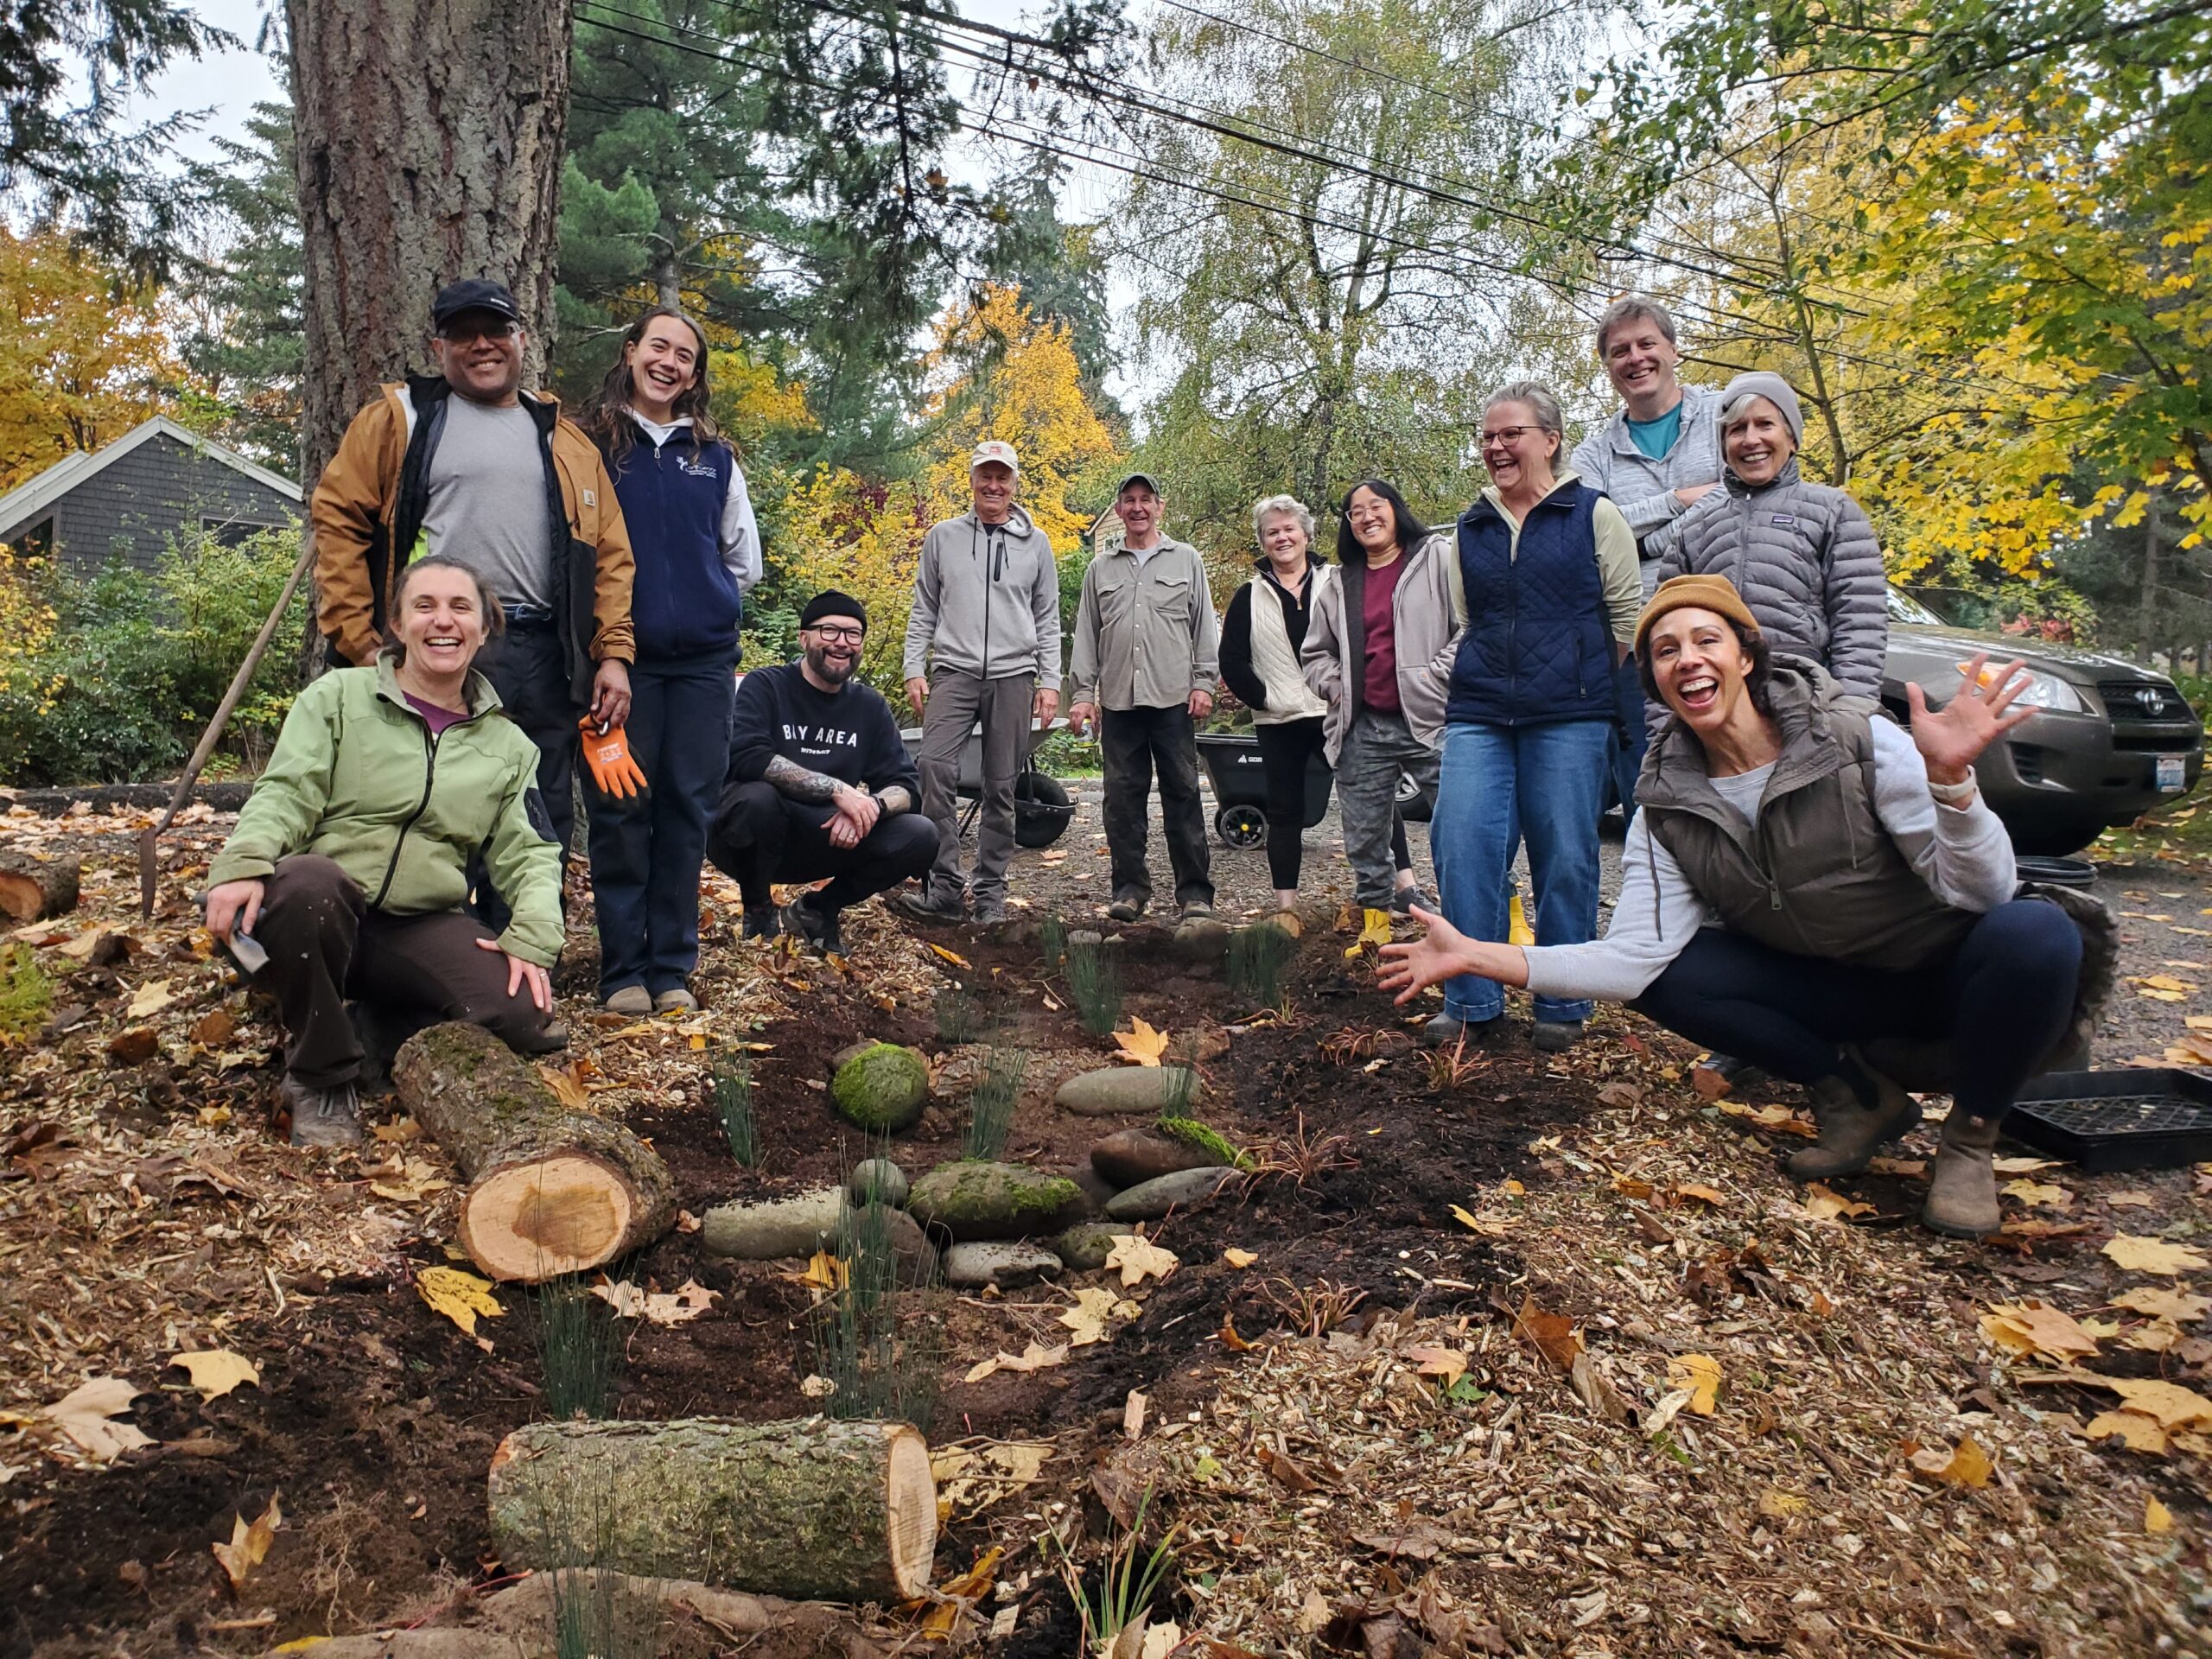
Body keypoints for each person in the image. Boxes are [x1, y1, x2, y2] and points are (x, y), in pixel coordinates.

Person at [1381, 575, 2084, 1239]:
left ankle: (1969, 1140)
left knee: (2038, 934)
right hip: (1832, 992)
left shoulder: (1858, 742)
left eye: (1706, 640)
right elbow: (1631, 961)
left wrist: (1953, 785)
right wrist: (1476, 955)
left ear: (1746, 656)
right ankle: (1855, 1098)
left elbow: (1984, 893)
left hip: (1940, 977)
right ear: (1654, 677)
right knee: (1669, 974)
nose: (1687, 660)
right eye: (1665, 650)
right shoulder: (1664, 806)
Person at [202, 557, 565, 1147]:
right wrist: (243, 862)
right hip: (320, 907)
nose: (442, 622)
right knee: (309, 888)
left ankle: (368, 1028)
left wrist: (532, 936)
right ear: (396, 624)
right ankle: (321, 1077)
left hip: (417, 924)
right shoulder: (336, 699)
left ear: (482, 627)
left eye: (460, 607)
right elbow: (286, 792)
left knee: (520, 1011)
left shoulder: (508, 746)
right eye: (424, 606)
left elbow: (531, 852)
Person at [309, 276, 637, 865]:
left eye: (495, 331)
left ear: (521, 338)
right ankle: (445, 953)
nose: (481, 345)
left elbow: (610, 557)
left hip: (546, 657)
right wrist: (360, 644)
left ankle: (529, 948)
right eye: (463, 335)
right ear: (439, 349)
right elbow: (338, 523)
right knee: (435, 810)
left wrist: (612, 654)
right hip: (440, 649)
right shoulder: (399, 421)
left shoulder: (566, 441)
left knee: (540, 815)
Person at [1429, 382, 1641, 1052]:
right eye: (1487, 437)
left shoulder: (1593, 515)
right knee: (1462, 843)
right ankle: (1472, 996)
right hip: (1481, 708)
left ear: (1550, 439)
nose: (1495, 447)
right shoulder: (1469, 527)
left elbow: (1628, 617)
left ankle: (1563, 997)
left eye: (1510, 433)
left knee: (1566, 856)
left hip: (1571, 713)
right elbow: (1469, 618)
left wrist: (1578, 678)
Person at [577, 308, 761, 1015]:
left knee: (688, 809)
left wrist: (700, 599)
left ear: (694, 374)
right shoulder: (591, 447)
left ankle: (671, 968)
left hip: (704, 669)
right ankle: (622, 970)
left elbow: (742, 559)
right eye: (660, 347)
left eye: (686, 356)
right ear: (630, 353)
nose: (670, 362)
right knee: (621, 807)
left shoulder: (713, 456)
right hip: (616, 667)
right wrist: (614, 642)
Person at [706, 592, 938, 955]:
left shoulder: (868, 706)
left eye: (853, 634)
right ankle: (758, 911)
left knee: (921, 834)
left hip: (829, 838)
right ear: (804, 638)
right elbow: (747, 756)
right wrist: (838, 791)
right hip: (750, 836)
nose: (842, 643)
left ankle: (819, 909)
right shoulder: (766, 686)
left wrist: (872, 808)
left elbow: (907, 786)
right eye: (829, 631)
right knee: (757, 799)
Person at [1567, 295, 1724, 817]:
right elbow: (1591, 532)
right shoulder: (1593, 455)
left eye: (1646, 344)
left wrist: (1645, 538)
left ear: (1674, 350)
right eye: (1619, 351)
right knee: (1652, 789)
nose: (1634, 358)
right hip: (1638, 644)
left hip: (1727, 631)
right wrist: (1681, 500)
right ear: (1608, 367)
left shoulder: (1724, 417)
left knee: (1737, 775)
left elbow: (1739, 499)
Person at [900, 440, 1063, 926]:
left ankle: (990, 892)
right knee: (933, 767)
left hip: (1014, 676)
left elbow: (1048, 616)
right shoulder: (943, 538)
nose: (993, 486)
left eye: (1002, 478)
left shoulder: (1037, 544)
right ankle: (945, 886)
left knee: (1000, 787)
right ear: (971, 481)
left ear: (1014, 484)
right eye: (985, 476)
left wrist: (1050, 680)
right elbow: (924, 606)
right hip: (953, 670)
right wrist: (914, 667)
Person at [1658, 371, 1886, 700]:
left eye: (1765, 424)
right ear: (1724, 445)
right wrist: (1666, 728)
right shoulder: (1696, 527)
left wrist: (1853, 708)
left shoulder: (1833, 512)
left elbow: (1860, 623)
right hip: (1716, 706)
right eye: (1737, 429)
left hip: (1806, 700)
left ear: (1792, 438)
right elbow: (1665, 630)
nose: (1751, 440)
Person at [1066, 474, 1220, 925]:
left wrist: (1203, 683)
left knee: (1184, 795)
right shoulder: (1101, 569)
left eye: (1145, 500)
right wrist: (1082, 695)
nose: (1137, 508)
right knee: (1122, 799)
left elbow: (1203, 628)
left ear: (1160, 506)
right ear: (1118, 510)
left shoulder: (1186, 560)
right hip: (1119, 704)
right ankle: (1130, 889)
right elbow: (1086, 638)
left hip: (1173, 700)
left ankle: (1194, 893)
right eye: (1129, 501)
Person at [1300, 480, 1453, 915]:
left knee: (1467, 828)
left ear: (1396, 509)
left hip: (1433, 719)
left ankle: (1489, 925)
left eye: (1376, 506)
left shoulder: (1438, 558)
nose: (1367, 517)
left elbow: (1472, 627)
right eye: (1356, 512)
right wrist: (1341, 687)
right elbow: (1314, 654)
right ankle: (1375, 929)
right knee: (1365, 838)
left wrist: (1434, 676)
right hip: (1362, 728)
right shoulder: (1338, 584)